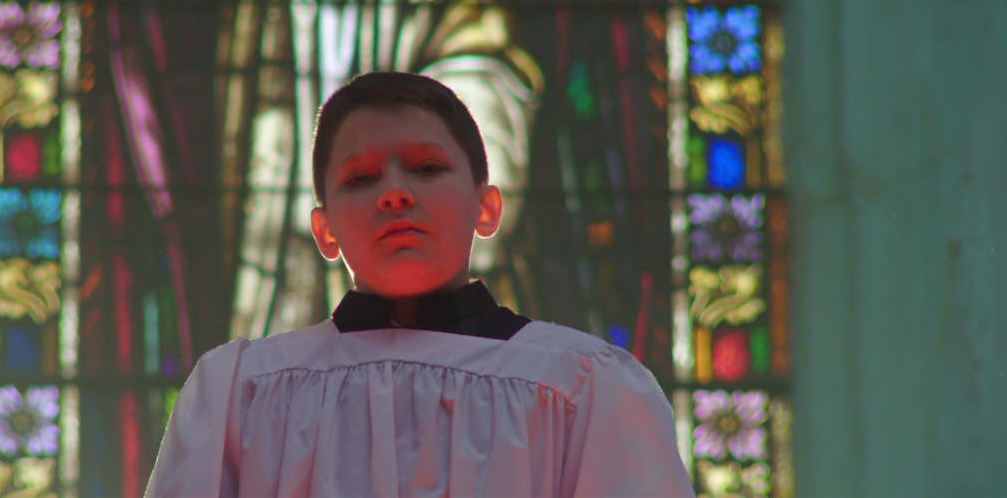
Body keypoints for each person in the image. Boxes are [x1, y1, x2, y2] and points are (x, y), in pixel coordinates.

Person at [145, 72, 694, 497]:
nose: (395, 194)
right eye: (360, 179)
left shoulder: (583, 387)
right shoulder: (241, 391)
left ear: (487, 206)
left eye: (426, 168)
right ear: (325, 229)